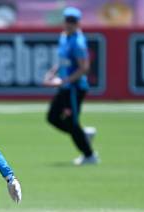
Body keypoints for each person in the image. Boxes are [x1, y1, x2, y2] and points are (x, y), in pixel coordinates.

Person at [44, 7, 99, 166]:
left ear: (78, 23)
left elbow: (84, 68)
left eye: (72, 21)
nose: (69, 24)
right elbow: (62, 60)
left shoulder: (78, 42)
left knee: (71, 122)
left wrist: (65, 80)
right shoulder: (64, 37)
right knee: (52, 117)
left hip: (74, 88)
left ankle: (90, 155)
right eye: (67, 20)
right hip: (65, 86)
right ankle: (82, 135)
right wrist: (52, 72)